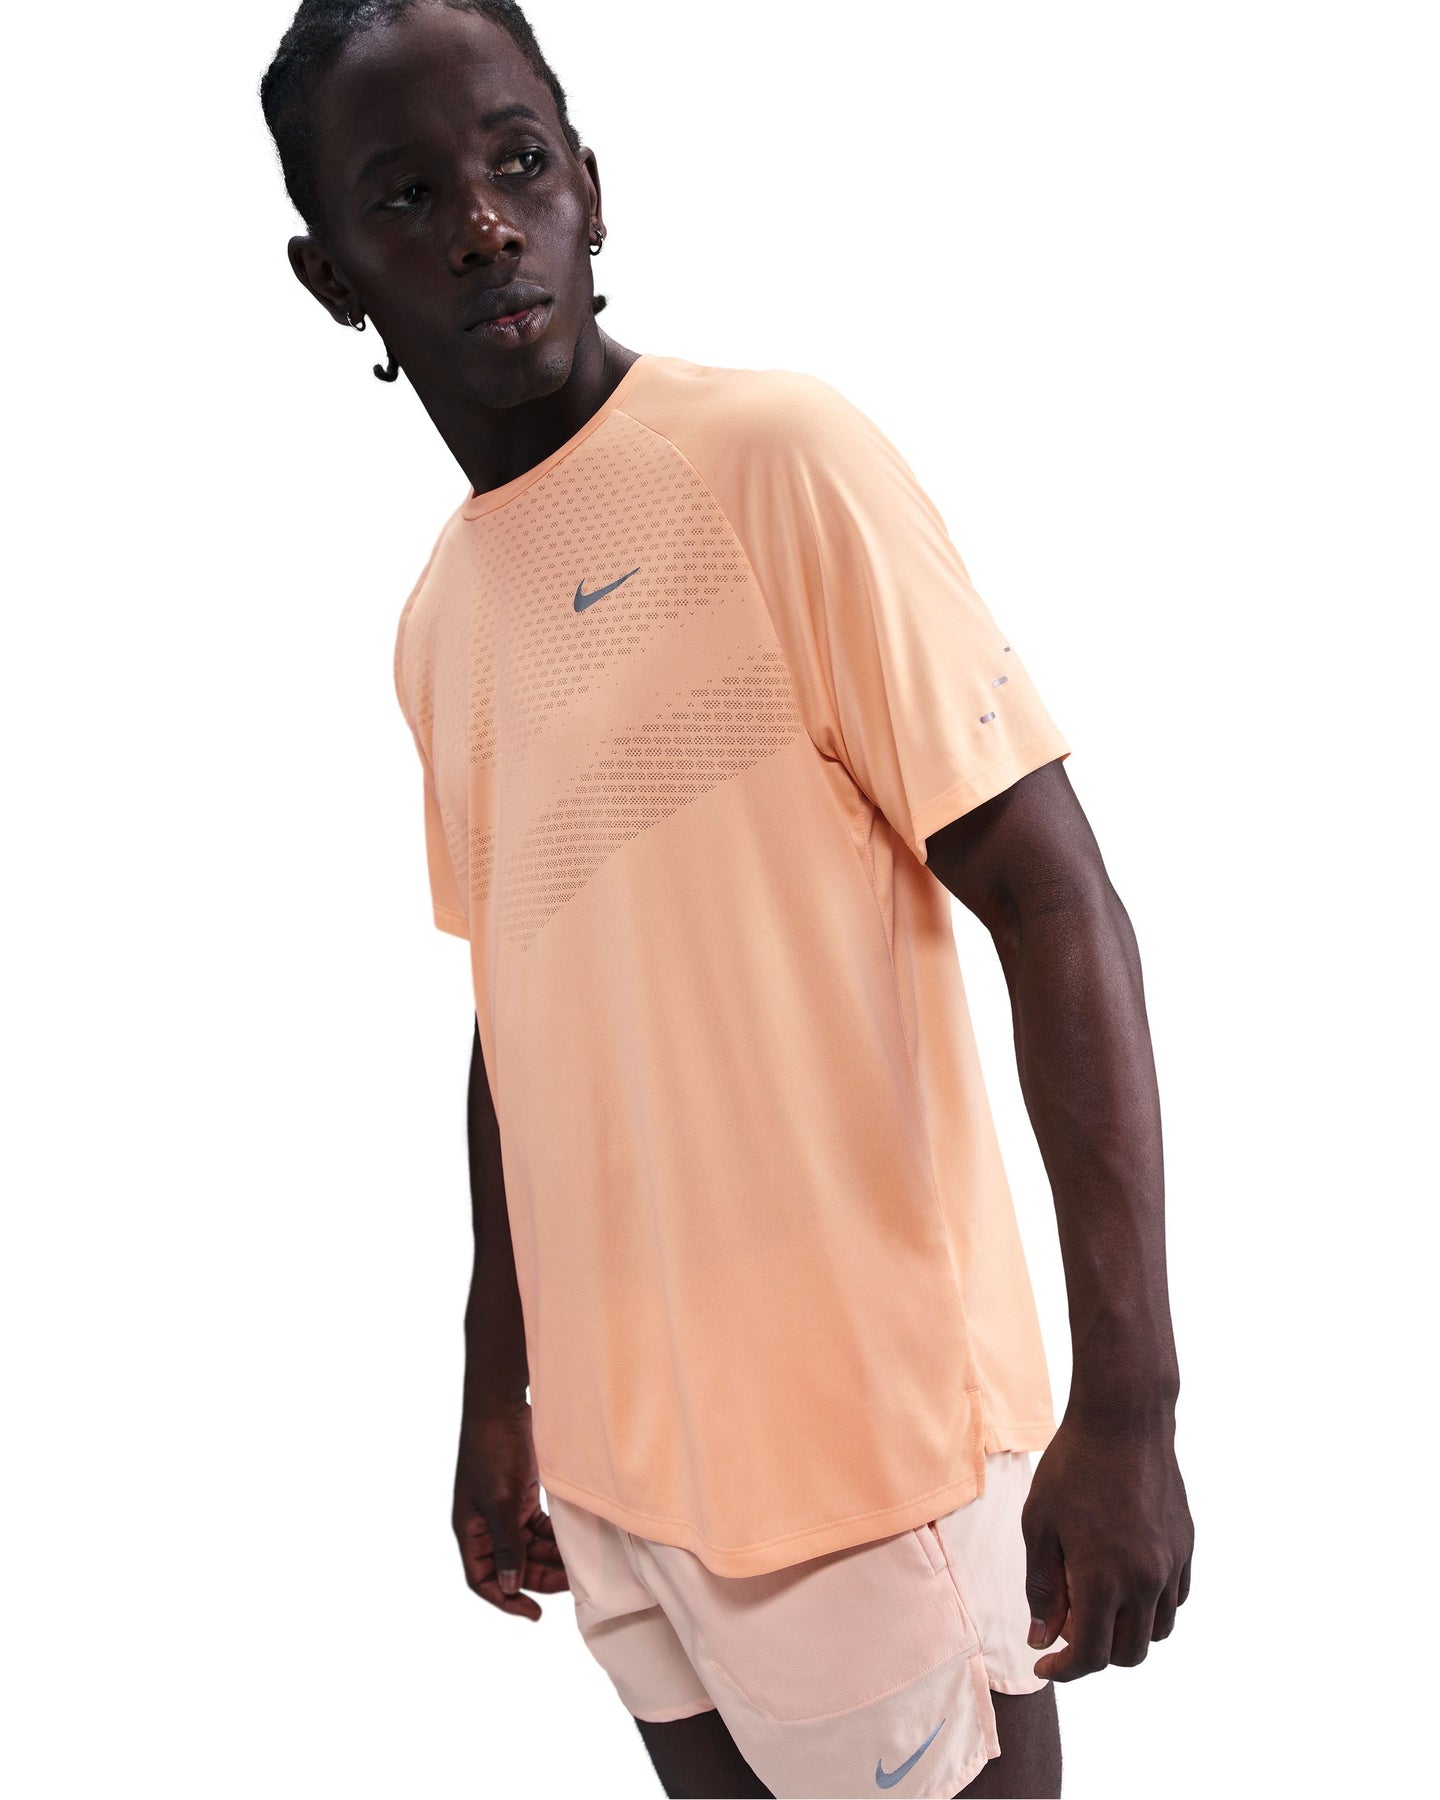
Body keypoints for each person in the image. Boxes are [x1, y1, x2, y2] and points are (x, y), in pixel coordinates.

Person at [261, 4, 1193, 1794]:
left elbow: (1057, 899)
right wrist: (496, 1381)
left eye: (519, 162)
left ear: (591, 189)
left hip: (869, 1455)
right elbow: (523, 1008)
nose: (484, 224)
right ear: (332, 279)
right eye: (408, 194)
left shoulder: (776, 459)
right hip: (625, 1480)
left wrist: (1133, 1402)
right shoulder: (437, 619)